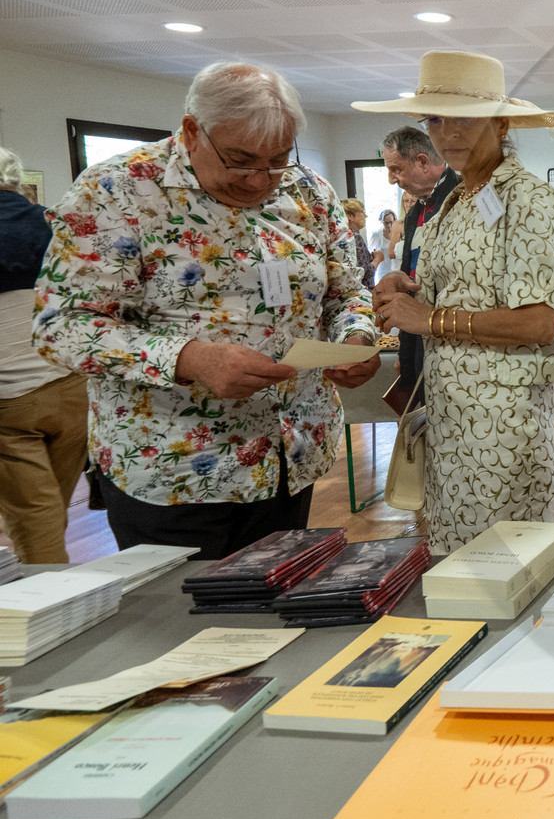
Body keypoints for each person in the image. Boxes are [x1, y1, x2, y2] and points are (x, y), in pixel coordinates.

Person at [33, 62, 379, 559]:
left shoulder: (309, 193)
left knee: (276, 620)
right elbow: (61, 327)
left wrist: (355, 337)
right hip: (176, 468)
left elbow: (346, 293)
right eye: (241, 160)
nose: (261, 179)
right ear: (193, 131)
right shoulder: (115, 192)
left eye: (277, 159)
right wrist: (188, 358)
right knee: (186, 629)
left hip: (291, 456)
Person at [357, 51, 554, 553]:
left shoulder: (529, 200)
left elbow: (543, 322)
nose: (448, 132)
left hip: (505, 425)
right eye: (436, 118)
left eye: (465, 117)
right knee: (460, 564)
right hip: (453, 419)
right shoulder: (454, 202)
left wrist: (429, 318)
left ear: (501, 122)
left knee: (510, 566)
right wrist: (403, 288)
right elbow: (459, 290)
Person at [0, 147, 88, 563]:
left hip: (11, 400)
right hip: (74, 391)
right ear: (18, 184)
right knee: (52, 513)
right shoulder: (53, 222)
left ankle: (49, 617)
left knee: (36, 520)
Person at [377, 126, 458, 404]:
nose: (391, 180)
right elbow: (412, 282)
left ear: (422, 161)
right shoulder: (414, 214)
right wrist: (405, 353)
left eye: (396, 169)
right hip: (418, 340)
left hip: (454, 339)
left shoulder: (461, 199)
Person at [342, 198, 375, 289]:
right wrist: (378, 260)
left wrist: (371, 257)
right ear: (350, 216)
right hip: (364, 289)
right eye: (362, 212)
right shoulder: (355, 237)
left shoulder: (345, 235)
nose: (365, 216)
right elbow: (364, 272)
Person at [372, 208, 397, 283]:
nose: (389, 226)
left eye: (391, 222)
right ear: (381, 222)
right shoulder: (376, 235)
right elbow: (372, 253)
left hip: (397, 269)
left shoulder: (399, 234)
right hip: (382, 271)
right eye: (386, 223)